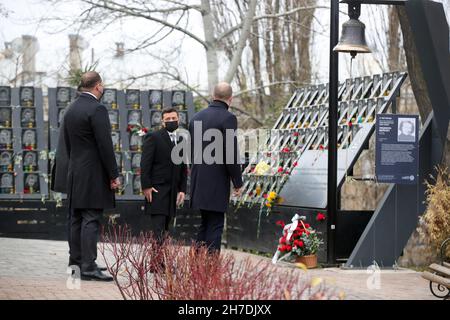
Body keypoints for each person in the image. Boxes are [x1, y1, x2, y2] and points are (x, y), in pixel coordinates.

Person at [62, 71, 121, 281]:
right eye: (102, 85)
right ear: (98, 86)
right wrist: (114, 174)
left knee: (76, 218)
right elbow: (105, 145)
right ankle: (88, 266)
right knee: (91, 218)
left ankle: (75, 264)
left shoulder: (70, 109)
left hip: (75, 170)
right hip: (93, 172)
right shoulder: (97, 108)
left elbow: (67, 144)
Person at [188, 82, 243, 253]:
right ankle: (211, 269)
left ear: (213, 96)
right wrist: (238, 181)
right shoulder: (228, 118)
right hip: (216, 180)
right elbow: (230, 152)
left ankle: (197, 265)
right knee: (216, 224)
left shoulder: (196, 117)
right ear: (230, 99)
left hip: (199, 179)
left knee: (205, 222)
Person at [140, 107, 187, 243]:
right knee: (158, 234)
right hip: (157, 192)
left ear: (178, 120)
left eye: (174, 118)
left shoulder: (181, 141)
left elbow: (183, 167)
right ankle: (157, 264)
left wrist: (182, 189)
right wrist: (146, 186)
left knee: (165, 232)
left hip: (172, 193)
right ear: (162, 122)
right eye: (168, 119)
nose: (171, 121)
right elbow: (145, 164)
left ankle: (160, 264)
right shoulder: (153, 137)